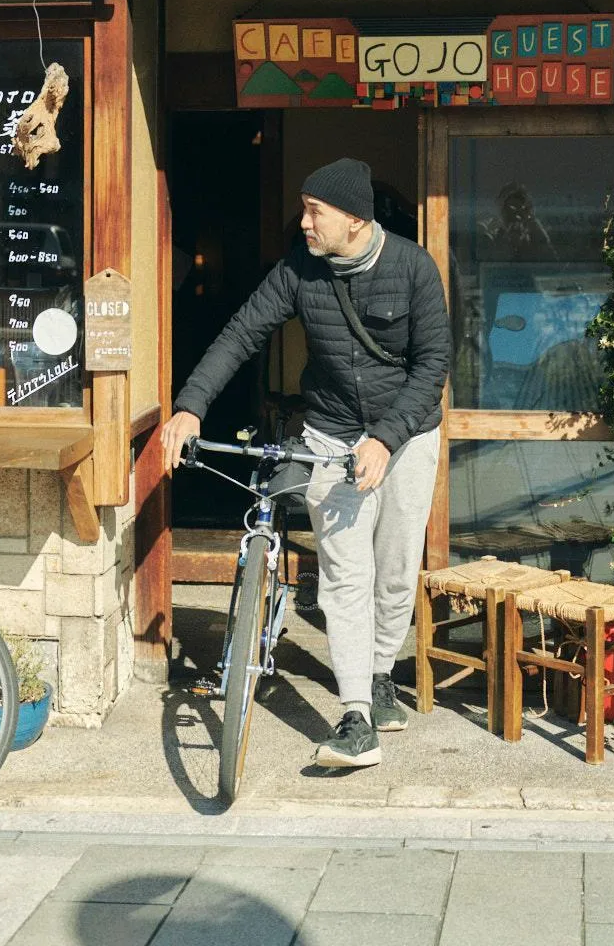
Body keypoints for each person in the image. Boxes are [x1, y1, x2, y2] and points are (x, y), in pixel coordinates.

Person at [161, 157, 450, 769]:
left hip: (407, 438)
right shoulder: (298, 269)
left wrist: (386, 438)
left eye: (315, 211)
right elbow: (241, 333)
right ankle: (356, 717)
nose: (304, 221)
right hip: (331, 434)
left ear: (354, 218)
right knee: (345, 575)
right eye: (304, 208)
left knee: (396, 571)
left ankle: (379, 675)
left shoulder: (413, 267)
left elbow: (433, 366)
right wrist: (190, 405)